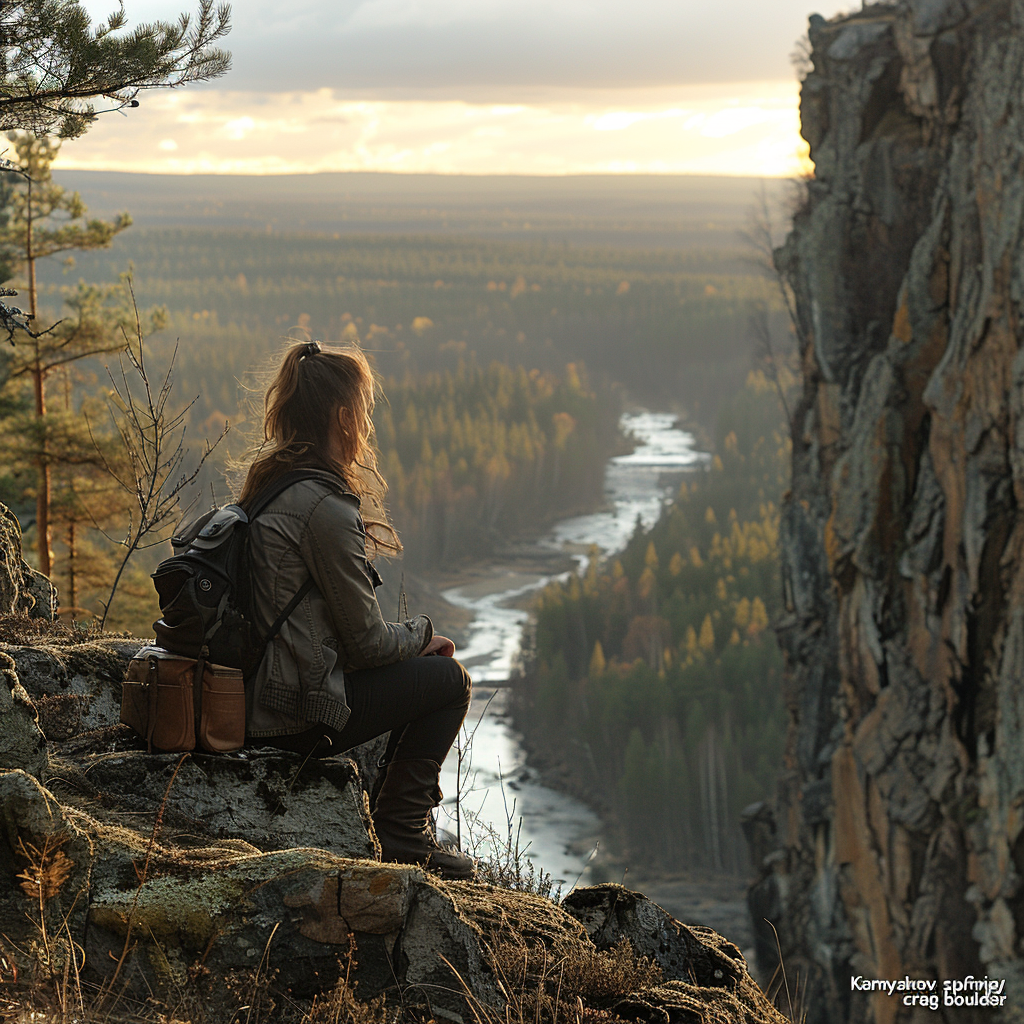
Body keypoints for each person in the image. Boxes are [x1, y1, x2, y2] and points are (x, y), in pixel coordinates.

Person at [238, 339, 475, 880]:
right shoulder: (324, 505)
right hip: (290, 714)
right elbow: (366, 643)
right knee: (447, 680)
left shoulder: (271, 485)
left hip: (254, 697)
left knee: (421, 671)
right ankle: (402, 834)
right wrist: (423, 637)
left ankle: (397, 825)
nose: (367, 425)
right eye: (364, 412)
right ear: (343, 417)